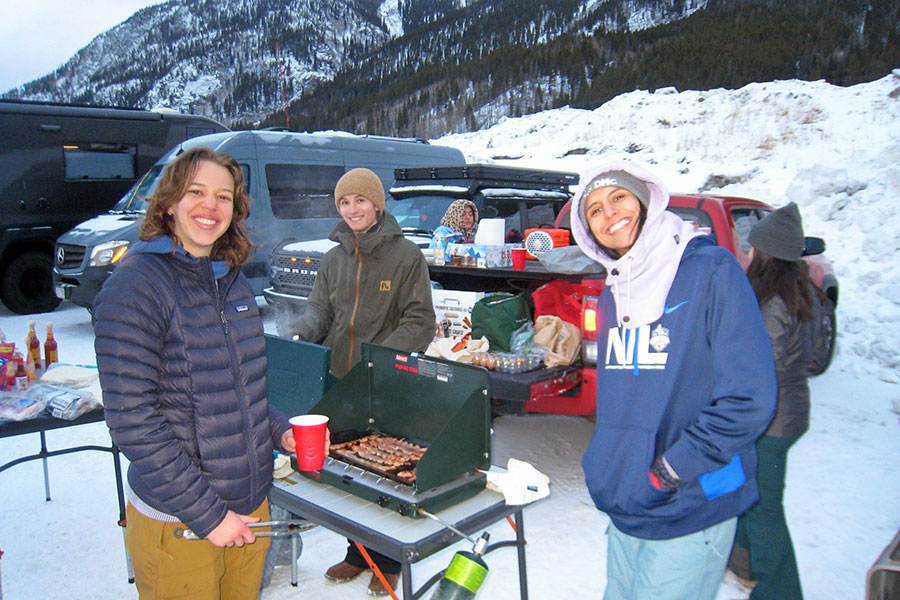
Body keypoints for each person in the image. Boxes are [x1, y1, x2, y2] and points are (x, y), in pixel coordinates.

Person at [93, 147, 305, 600]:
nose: (211, 206)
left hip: (248, 510)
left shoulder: (231, 280)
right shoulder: (135, 285)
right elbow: (133, 421)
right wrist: (209, 516)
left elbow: (238, 393)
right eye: (196, 192)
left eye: (224, 196)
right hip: (183, 524)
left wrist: (280, 431)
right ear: (168, 201)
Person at [570, 159, 777, 600]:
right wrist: (609, 465)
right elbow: (621, 401)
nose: (610, 214)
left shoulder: (711, 271)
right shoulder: (613, 294)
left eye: (619, 198)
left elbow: (750, 399)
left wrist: (670, 469)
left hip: (691, 500)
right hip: (629, 501)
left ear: (644, 201)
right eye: (595, 210)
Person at [288, 167, 436, 595]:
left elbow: (420, 320)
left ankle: (387, 560)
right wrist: (298, 333)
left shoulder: (405, 256)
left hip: (386, 379)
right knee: (347, 470)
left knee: (385, 472)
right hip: (341, 378)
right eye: (344, 203)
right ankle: (357, 553)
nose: (352, 209)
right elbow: (321, 312)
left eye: (360, 201)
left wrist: (378, 358)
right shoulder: (333, 259)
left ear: (377, 204)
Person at [729, 202, 818, 600]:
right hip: (787, 412)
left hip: (772, 420)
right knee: (747, 488)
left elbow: (760, 367)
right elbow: (813, 359)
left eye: (752, 248)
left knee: (765, 505)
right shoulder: (803, 292)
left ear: (766, 255)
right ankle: (742, 562)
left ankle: (780, 590)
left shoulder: (774, 302)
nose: (746, 253)